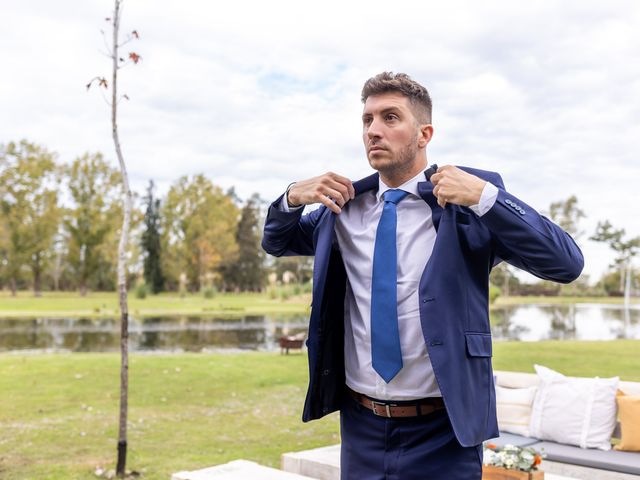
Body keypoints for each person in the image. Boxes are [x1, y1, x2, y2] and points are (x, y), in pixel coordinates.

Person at [261, 72, 583, 480]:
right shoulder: (342, 209)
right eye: (367, 120)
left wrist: (488, 198)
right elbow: (277, 241)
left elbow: (566, 263)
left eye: (390, 117)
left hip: (443, 432)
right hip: (361, 427)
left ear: (424, 133)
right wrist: (292, 196)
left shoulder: (464, 205)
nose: (374, 131)